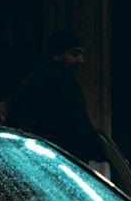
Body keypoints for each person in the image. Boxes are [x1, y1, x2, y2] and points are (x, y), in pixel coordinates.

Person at [9, 28, 111, 178]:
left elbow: (12, 126)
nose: (81, 60)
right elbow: (78, 127)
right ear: (56, 55)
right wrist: (101, 152)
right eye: (74, 54)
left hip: (29, 167)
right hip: (62, 169)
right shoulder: (65, 84)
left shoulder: (24, 85)